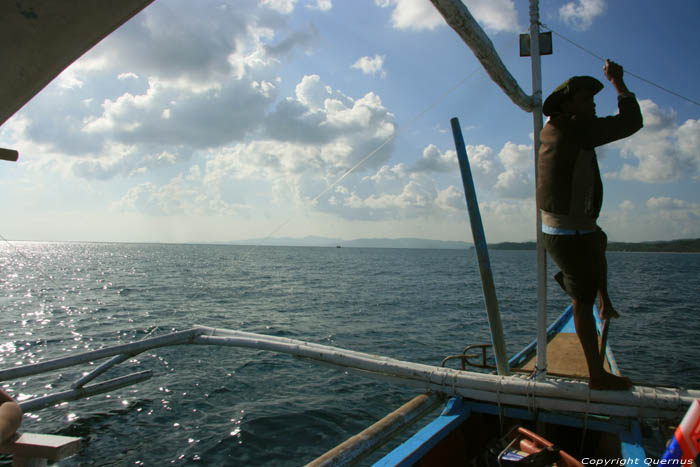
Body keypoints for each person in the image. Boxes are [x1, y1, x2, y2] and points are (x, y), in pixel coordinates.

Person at [537, 59, 643, 390]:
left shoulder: (553, 128)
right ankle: (597, 376)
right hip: (568, 233)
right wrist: (617, 82)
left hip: (571, 230)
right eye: (587, 101)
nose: (593, 107)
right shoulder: (576, 130)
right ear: (568, 105)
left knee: (600, 240)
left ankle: (603, 299)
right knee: (579, 301)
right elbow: (632, 122)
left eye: (594, 101)